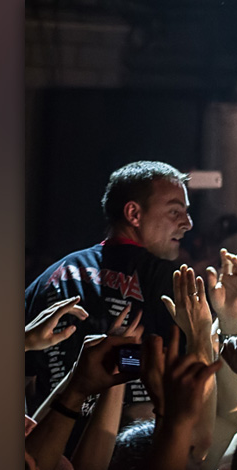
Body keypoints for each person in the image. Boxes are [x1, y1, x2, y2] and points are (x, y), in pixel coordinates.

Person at [25, 161, 192, 420]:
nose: (187, 223)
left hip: (51, 448)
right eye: (175, 212)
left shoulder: (52, 276)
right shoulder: (166, 279)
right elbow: (195, 383)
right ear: (134, 214)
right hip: (134, 451)